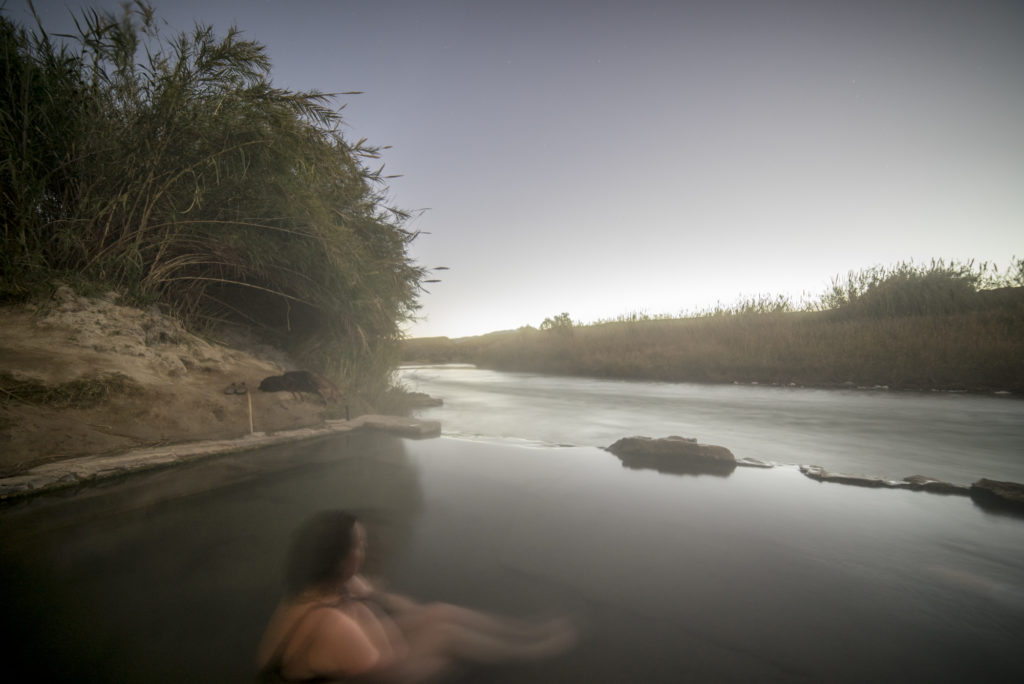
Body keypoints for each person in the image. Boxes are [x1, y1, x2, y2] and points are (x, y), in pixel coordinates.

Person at [257, 510, 577, 682]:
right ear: (339, 559)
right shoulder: (328, 623)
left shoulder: (323, 580)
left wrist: (405, 609)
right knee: (444, 636)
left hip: (344, 656)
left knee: (439, 613)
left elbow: (386, 600)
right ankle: (528, 652)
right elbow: (390, 671)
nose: (365, 550)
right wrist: (443, 659)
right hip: (352, 672)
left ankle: (526, 633)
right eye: (359, 545)